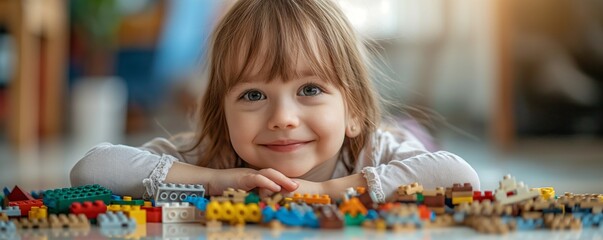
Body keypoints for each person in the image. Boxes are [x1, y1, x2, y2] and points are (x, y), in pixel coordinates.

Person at [70, 0, 480, 203]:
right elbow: (91, 168)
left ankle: (404, 124)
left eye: (309, 90)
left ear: (353, 109)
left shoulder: (373, 149)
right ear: (221, 115)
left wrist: (326, 190)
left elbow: (459, 174)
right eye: (253, 95)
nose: (283, 118)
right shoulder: (215, 154)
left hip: (393, 136)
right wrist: (215, 180)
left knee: (411, 137)